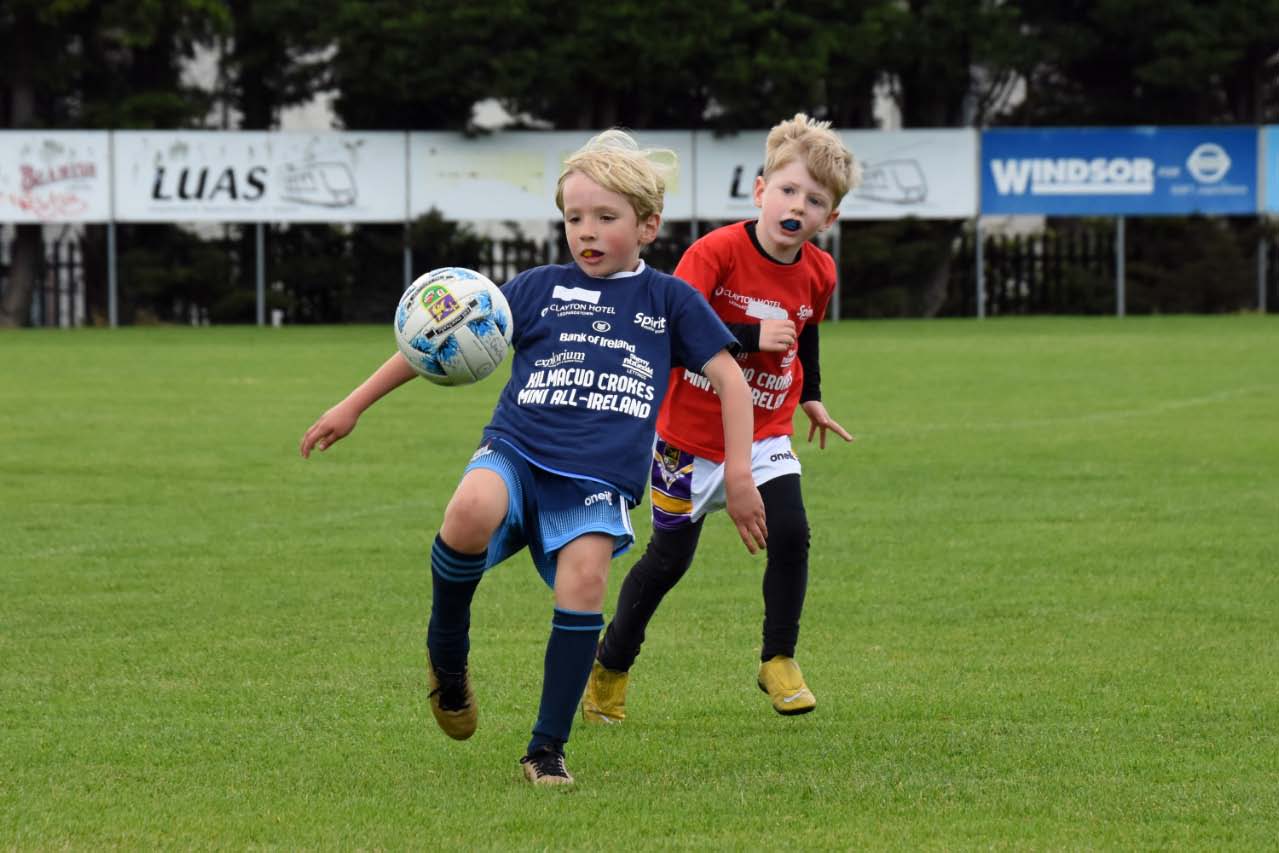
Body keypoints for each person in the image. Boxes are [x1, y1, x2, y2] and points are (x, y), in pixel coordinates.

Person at [299, 130, 766, 786]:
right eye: (574, 217)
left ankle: (545, 747)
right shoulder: (536, 288)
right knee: (467, 510)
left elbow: (730, 380)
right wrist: (352, 405)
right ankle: (448, 656)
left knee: (585, 581)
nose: (586, 231)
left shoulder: (667, 301)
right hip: (517, 449)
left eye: (605, 218)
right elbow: (435, 337)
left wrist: (740, 474)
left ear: (647, 225)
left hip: (598, 479)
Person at [582, 113, 860, 723]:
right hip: (687, 442)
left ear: (829, 219)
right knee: (667, 563)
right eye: (787, 191)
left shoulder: (820, 270)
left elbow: (805, 333)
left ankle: (777, 658)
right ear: (761, 191)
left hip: (764, 433)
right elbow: (665, 331)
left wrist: (810, 393)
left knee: (792, 532)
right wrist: (748, 333)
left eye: (815, 201)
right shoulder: (715, 254)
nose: (797, 206)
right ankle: (611, 662)